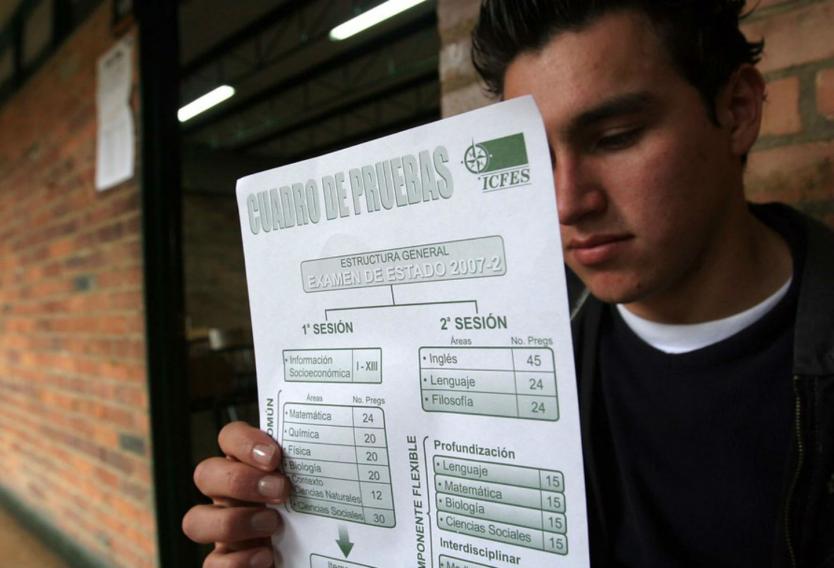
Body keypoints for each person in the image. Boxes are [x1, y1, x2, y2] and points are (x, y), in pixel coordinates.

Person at [182, 1, 834, 566]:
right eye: (535, 159)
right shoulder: (503, 353)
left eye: (616, 137)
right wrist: (297, 536)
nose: (566, 202)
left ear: (738, 110)